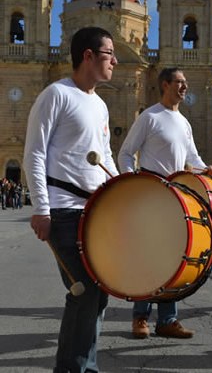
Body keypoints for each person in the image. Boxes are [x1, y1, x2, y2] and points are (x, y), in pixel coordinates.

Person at [23, 26, 119, 373]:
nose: (116, 61)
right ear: (88, 56)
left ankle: (82, 365)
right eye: (110, 54)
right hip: (64, 211)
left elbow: (106, 156)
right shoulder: (56, 94)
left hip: (95, 211)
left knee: (99, 292)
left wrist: (126, 191)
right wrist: (41, 209)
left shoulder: (100, 105)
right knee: (85, 292)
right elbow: (34, 153)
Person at [118, 67, 212, 339]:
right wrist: (133, 182)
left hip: (176, 195)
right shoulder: (149, 117)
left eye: (186, 82)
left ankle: (167, 320)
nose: (184, 86)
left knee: (173, 257)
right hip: (151, 192)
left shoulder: (184, 122)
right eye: (180, 82)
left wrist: (205, 169)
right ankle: (140, 317)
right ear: (165, 85)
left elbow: (193, 159)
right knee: (148, 257)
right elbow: (126, 153)